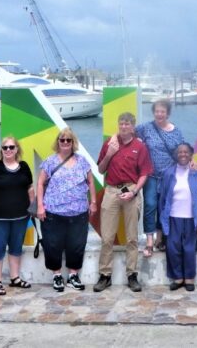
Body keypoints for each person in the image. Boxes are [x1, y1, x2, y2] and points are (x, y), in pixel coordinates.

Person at [94, 112, 153, 293]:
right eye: (121, 123)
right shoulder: (109, 144)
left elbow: (144, 173)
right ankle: (105, 275)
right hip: (111, 190)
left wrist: (135, 191)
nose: (124, 126)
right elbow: (101, 169)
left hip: (131, 190)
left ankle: (132, 275)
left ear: (133, 126)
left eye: (127, 124)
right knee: (107, 237)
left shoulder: (140, 147)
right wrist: (110, 154)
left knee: (132, 237)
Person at [36, 127, 97, 292]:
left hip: (79, 212)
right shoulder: (49, 162)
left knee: (77, 244)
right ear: (57, 142)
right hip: (53, 213)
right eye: (62, 140)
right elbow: (40, 183)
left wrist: (93, 202)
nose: (65, 143)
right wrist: (40, 206)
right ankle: (56, 275)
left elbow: (91, 182)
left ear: (73, 143)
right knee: (53, 244)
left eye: (68, 140)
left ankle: (73, 275)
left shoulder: (82, 161)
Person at [0, 136, 34, 295]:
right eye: (5, 148)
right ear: (1, 150)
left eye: (11, 147)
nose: (8, 150)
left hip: (20, 217)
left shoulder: (24, 167)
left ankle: (15, 278)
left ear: (17, 149)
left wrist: (33, 207)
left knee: (16, 248)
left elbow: (30, 188)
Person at [135, 100, 187, 254]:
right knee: (150, 206)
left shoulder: (176, 131)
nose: (159, 114)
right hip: (151, 175)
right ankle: (150, 241)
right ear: (154, 112)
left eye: (162, 111)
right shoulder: (146, 128)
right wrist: (114, 140)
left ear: (168, 113)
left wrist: (192, 162)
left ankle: (161, 238)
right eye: (157, 111)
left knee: (164, 207)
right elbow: (129, 132)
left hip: (169, 176)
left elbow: (183, 151)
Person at [158, 143, 197, 291]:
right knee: (173, 248)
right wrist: (162, 216)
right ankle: (178, 278)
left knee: (189, 248)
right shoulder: (169, 173)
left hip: (191, 217)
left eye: (186, 152)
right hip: (173, 216)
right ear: (176, 155)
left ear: (191, 155)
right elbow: (163, 197)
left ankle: (189, 278)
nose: (183, 154)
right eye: (180, 152)